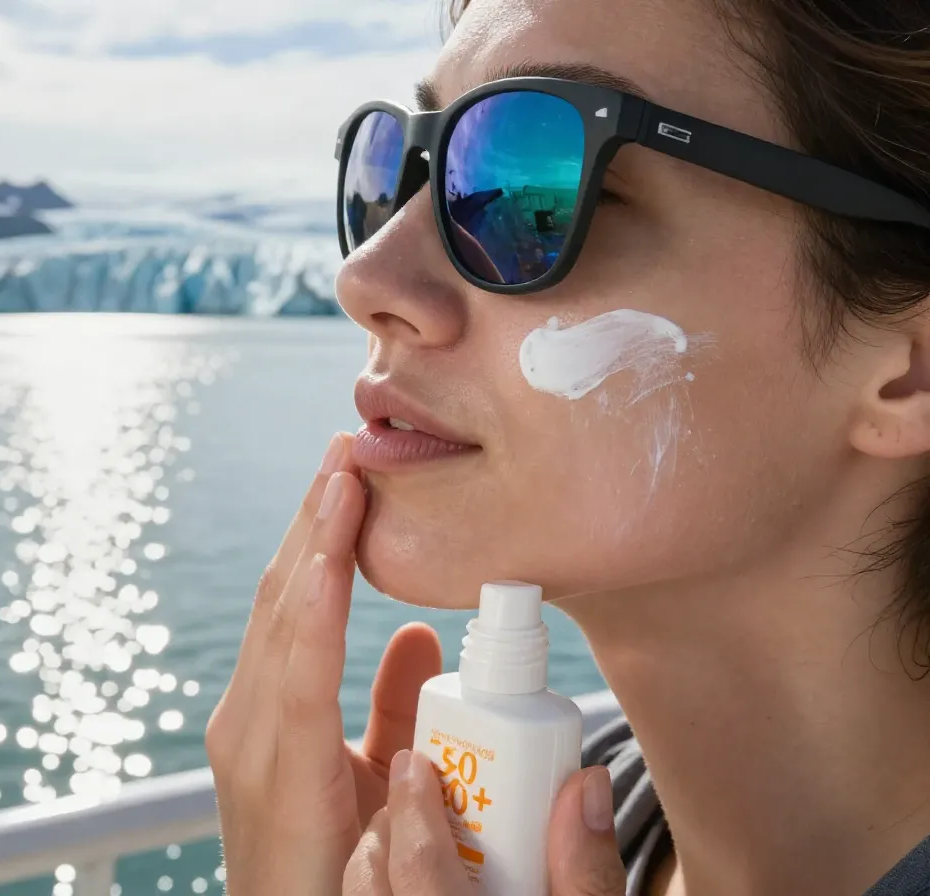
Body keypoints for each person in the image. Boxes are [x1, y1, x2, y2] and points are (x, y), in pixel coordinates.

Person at [206, 0, 930, 892]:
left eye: (537, 192)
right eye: (402, 171)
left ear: (911, 369)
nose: (364, 278)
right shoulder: (528, 834)